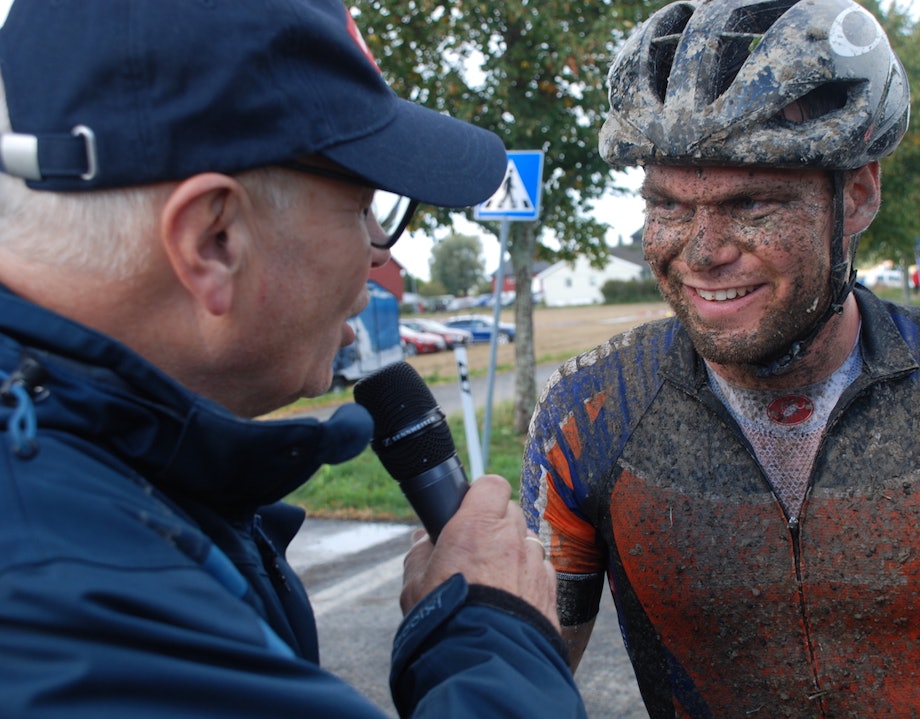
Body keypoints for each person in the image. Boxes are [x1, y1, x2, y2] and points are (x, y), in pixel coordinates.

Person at [0, 1, 585, 717]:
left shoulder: (100, 474)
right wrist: (494, 630)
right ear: (214, 240)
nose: (381, 251)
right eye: (362, 206)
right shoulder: (67, 604)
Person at [520, 0, 920, 717]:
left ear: (859, 192)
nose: (701, 251)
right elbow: (518, 688)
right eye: (667, 205)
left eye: (752, 202)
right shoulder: (588, 413)